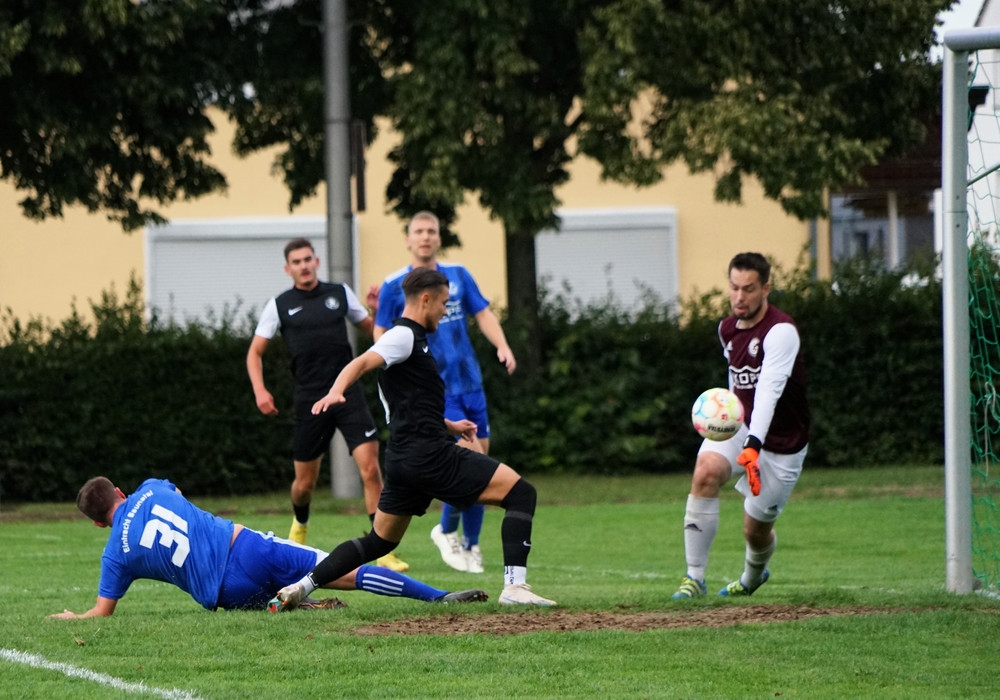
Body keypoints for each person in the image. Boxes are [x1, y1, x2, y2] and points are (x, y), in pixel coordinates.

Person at [271, 268, 555, 610]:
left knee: (379, 541)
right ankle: (514, 587)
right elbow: (360, 363)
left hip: (405, 459)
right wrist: (336, 391)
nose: (445, 311)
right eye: (443, 303)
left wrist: (450, 426)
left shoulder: (411, 341)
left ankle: (301, 586)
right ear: (426, 299)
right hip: (431, 455)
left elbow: (407, 405)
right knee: (521, 493)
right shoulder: (403, 336)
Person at [48, 477, 487, 619]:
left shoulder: (115, 554)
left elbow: (102, 613)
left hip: (225, 594)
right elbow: (178, 495)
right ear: (120, 491)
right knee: (343, 570)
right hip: (245, 548)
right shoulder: (150, 487)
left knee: (273, 597)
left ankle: (296, 602)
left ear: (96, 522)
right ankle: (438, 597)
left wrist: (75, 618)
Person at [246, 238, 408, 573]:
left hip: (348, 393)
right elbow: (254, 353)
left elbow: (375, 333)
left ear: (316, 261)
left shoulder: (339, 293)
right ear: (288, 268)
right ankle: (300, 524)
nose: (304, 266)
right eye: (297, 262)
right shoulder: (279, 305)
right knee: (304, 485)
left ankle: (384, 549)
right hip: (310, 400)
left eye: (308, 259)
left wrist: (378, 312)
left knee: (371, 469)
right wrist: (260, 391)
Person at [369, 211, 516, 574]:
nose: (425, 236)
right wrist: (391, 372)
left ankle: (471, 544)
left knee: (482, 461)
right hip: (437, 389)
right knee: (473, 459)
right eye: (418, 231)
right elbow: (381, 332)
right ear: (408, 239)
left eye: (431, 231)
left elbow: (483, 313)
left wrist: (502, 345)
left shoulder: (459, 275)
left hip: (471, 383)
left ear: (439, 237)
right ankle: (447, 530)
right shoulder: (395, 284)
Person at [671, 252, 810, 599]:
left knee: (755, 531)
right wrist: (728, 418)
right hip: (743, 429)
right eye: (734, 287)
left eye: (748, 289)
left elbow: (768, 391)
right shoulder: (727, 329)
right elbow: (738, 384)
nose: (739, 296)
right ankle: (694, 579)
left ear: (766, 289)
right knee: (705, 471)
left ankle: (752, 577)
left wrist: (754, 445)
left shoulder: (781, 332)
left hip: (781, 444)